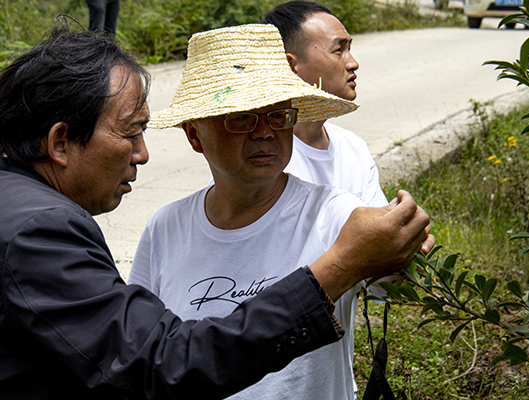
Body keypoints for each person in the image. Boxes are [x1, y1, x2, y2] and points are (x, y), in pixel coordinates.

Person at [0, 27, 432, 399]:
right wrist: (340, 266)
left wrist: (407, 250)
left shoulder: (337, 215)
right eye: (242, 117)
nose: (264, 131)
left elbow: (396, 276)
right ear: (195, 135)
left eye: (278, 114)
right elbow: (156, 359)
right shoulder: (148, 228)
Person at [262, 1, 388, 207]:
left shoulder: (353, 148)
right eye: (339, 50)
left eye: (349, 49)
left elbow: (381, 227)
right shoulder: (262, 158)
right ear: (291, 65)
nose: (353, 63)